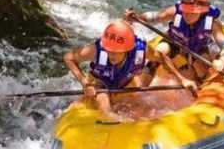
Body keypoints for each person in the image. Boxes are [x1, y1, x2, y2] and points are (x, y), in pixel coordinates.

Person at [63, 20, 194, 121]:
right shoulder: (97, 49)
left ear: (128, 49)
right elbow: (68, 58)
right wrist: (85, 83)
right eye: (109, 50)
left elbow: (163, 59)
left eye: (117, 51)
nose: (111, 55)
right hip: (100, 85)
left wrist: (182, 79)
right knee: (104, 104)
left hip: (125, 85)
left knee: (146, 111)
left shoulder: (140, 50)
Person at [125, 0, 224, 83]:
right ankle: (142, 87)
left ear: (202, 12)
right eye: (185, 10)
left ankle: (198, 86)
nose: (187, 15)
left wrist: (222, 61)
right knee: (160, 51)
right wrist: (137, 17)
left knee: (203, 70)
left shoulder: (212, 23)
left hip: (197, 48)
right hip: (173, 42)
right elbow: (155, 16)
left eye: (192, 12)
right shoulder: (175, 12)